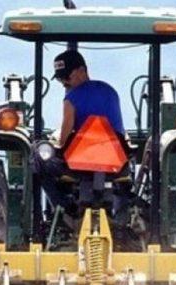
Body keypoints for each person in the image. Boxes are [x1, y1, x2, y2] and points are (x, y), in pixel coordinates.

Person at [34, 49, 126, 214]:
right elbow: (118, 129)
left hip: (80, 166)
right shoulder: (110, 91)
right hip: (116, 163)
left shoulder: (71, 98)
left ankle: (64, 207)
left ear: (82, 71)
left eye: (66, 77)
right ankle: (123, 209)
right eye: (60, 79)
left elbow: (62, 141)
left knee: (37, 157)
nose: (64, 82)